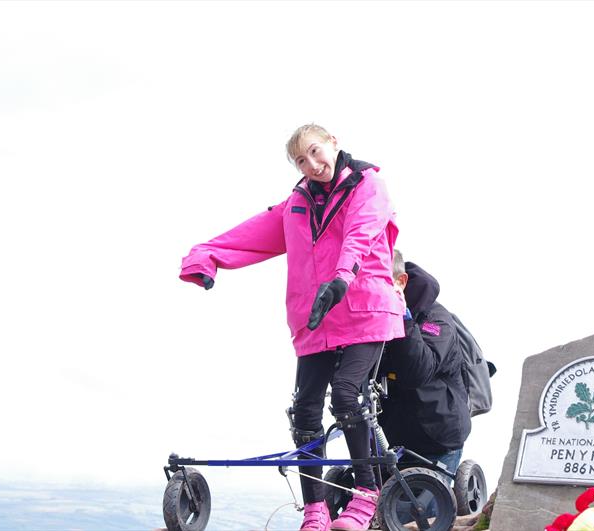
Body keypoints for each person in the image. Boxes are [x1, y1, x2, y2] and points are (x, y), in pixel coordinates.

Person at [179, 124, 404, 531]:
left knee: (348, 396)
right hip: (315, 318)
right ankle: (316, 507)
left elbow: (361, 233)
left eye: (316, 152)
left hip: (363, 307)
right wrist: (204, 256)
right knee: (304, 411)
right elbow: (250, 235)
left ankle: (367, 494)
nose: (312, 164)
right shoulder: (296, 204)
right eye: (301, 160)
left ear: (333, 142)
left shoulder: (368, 185)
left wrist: (340, 278)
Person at [377, 250, 472, 475]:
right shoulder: (372, 316)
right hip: (391, 440)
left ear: (400, 281)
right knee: (379, 508)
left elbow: (416, 372)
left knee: (419, 511)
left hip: (437, 442)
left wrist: (403, 318)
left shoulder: (436, 320)